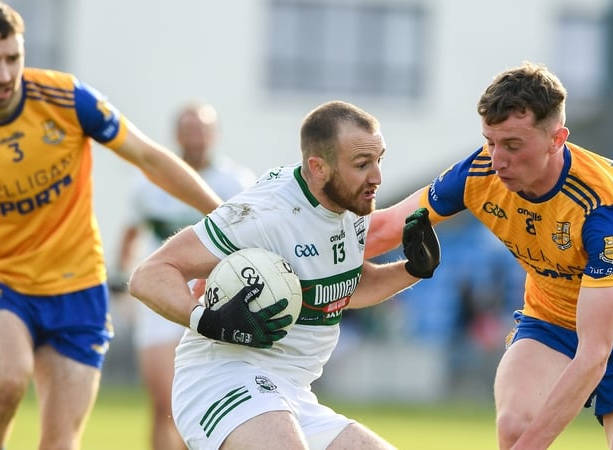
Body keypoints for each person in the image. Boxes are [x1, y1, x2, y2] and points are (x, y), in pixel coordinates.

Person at [0, 2, 226, 449]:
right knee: (8, 376)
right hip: (1, 281)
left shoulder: (66, 98)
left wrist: (221, 215)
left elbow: (148, 157)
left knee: (61, 443)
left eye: (13, 58)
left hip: (78, 288)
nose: (4, 74)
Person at [367, 62, 613, 449]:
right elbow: (386, 228)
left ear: (557, 139)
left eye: (513, 145)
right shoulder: (479, 173)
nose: (497, 159)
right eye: (490, 141)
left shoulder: (606, 206)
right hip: (551, 324)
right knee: (514, 425)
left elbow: (594, 353)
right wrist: (310, 256)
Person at [128, 100, 441, 450]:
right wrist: (207, 319)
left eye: (379, 160)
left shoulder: (351, 206)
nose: (377, 177)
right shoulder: (264, 214)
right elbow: (149, 275)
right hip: (221, 380)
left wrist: (413, 270)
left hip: (292, 393)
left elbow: (344, 290)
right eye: (362, 164)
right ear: (318, 167)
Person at [113, 102, 256, 450]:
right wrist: (121, 283)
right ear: (177, 135)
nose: (196, 137)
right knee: (165, 405)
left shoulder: (235, 182)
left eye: (202, 130)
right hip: (162, 296)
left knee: (213, 406)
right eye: (189, 129)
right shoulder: (150, 181)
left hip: (215, 295)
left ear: (214, 135)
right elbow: (130, 234)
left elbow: (252, 238)